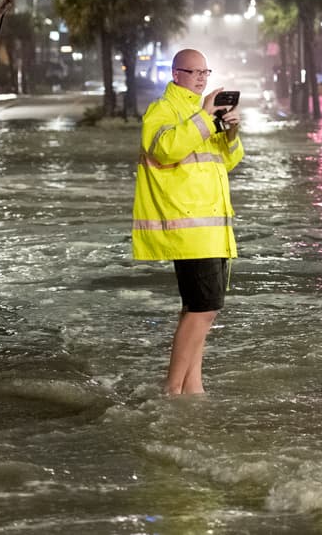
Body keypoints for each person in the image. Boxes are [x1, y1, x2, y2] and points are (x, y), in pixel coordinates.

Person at [132, 49, 244, 395]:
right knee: (204, 309)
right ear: (175, 74)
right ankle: (172, 388)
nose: (200, 78)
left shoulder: (200, 114)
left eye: (205, 72)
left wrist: (229, 134)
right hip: (189, 229)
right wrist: (206, 116)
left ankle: (192, 389)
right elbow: (163, 148)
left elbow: (227, 162)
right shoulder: (163, 110)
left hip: (210, 229)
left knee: (197, 310)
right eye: (193, 72)